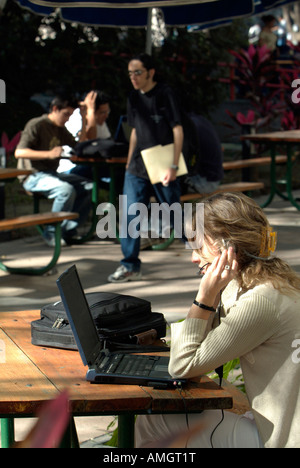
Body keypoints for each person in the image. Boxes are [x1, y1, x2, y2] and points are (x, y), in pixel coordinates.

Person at [135, 192, 300, 448]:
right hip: (284, 428)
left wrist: (204, 296)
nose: (193, 257)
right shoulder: (271, 280)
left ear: (228, 247)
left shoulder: (260, 299)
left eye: (199, 246)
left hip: (282, 440)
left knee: (156, 419)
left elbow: (181, 366)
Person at [108, 53, 184, 283]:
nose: (133, 77)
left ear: (151, 72)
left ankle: (206, 257)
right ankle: (130, 265)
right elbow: (135, 132)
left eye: (138, 72)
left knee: (174, 213)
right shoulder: (132, 97)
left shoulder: (165, 94)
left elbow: (177, 129)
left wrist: (173, 165)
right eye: (130, 73)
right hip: (137, 167)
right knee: (130, 213)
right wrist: (130, 162)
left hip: (162, 163)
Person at [15, 94, 94, 246]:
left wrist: (83, 118)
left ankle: (69, 230)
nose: (67, 119)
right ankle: (51, 233)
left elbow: (79, 145)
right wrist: (49, 154)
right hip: (32, 176)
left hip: (52, 175)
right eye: (66, 114)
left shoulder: (60, 129)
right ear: (55, 109)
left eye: (71, 115)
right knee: (66, 190)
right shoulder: (37, 124)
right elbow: (19, 152)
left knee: (89, 186)